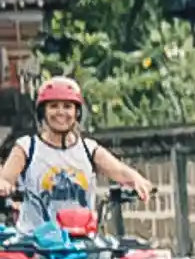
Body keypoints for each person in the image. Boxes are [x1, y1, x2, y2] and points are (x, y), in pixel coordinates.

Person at [0, 77, 155, 228]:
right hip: (36, 244)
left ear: (77, 113)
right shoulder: (27, 147)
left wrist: (137, 180)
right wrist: (5, 186)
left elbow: (120, 171)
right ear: (43, 112)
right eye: (53, 106)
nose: (61, 112)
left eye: (67, 106)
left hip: (82, 243)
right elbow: (5, 179)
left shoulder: (88, 149)